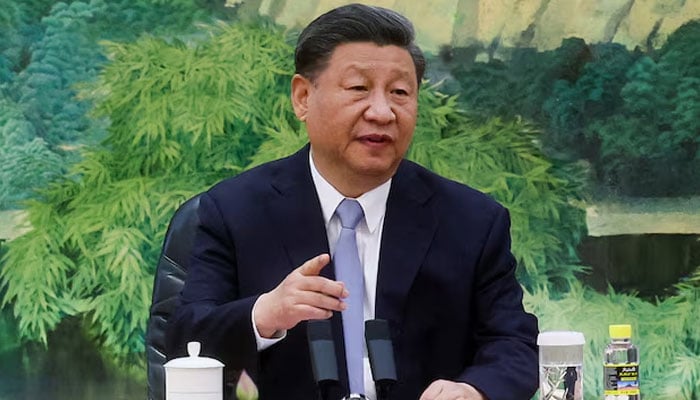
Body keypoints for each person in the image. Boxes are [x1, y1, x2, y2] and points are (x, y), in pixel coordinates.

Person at [165, 3, 538, 400]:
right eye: (359, 88)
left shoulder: (473, 221)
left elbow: (513, 345)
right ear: (303, 97)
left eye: (399, 93)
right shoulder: (236, 210)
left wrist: (473, 391)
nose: (382, 112)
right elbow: (187, 337)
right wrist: (265, 314)